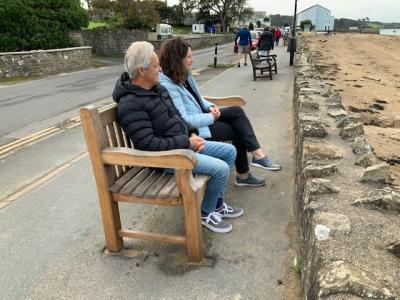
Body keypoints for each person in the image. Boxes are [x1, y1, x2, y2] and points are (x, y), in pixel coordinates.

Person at [113, 41, 243, 234]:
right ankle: (205, 213)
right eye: (156, 66)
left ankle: (217, 205)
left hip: (182, 147)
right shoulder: (130, 104)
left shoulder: (158, 89)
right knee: (221, 169)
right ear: (142, 70)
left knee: (230, 151)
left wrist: (192, 133)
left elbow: (177, 118)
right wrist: (186, 142)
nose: (160, 70)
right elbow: (148, 144)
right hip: (165, 158)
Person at [158, 37, 281, 188]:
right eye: (189, 57)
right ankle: (246, 172)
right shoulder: (168, 85)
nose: (193, 60)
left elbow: (197, 98)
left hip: (205, 116)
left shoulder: (184, 75)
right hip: (196, 130)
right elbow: (184, 120)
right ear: (177, 59)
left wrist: (210, 106)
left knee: (236, 111)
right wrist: (210, 117)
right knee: (237, 129)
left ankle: (257, 156)